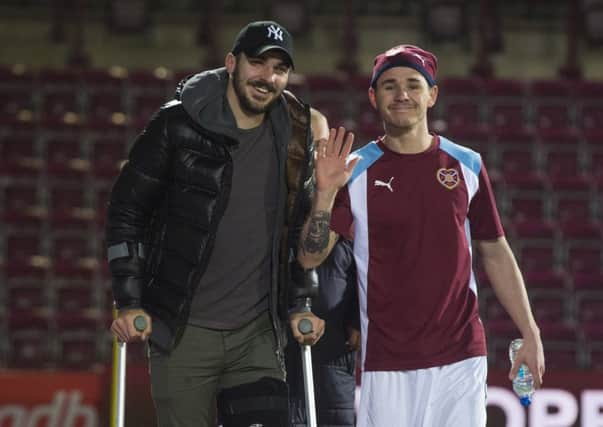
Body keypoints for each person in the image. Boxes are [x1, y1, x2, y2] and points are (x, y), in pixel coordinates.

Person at [296, 44, 546, 426]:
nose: (402, 95)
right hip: (386, 361)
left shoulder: (467, 165)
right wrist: (326, 193)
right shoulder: (354, 171)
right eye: (390, 85)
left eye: (414, 84)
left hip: (462, 356)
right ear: (373, 97)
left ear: (432, 95)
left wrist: (530, 331)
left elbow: (494, 249)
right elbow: (310, 257)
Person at [106, 20, 325, 427]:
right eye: (257, 63)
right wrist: (129, 299)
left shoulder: (295, 135)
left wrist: (301, 303)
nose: (267, 77)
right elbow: (126, 211)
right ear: (231, 63)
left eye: (279, 69)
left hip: (256, 334)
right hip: (183, 332)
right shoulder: (176, 124)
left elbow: (296, 231)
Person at [286, 237, 360, 427]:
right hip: (284, 357)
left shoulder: (347, 230)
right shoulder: (280, 226)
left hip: (334, 362)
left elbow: (368, 276)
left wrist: (357, 321)